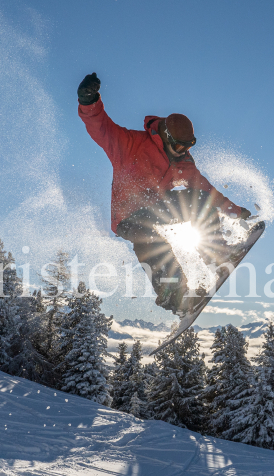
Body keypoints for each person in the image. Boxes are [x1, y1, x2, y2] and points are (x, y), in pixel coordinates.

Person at [76, 72, 254, 315]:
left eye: (189, 146)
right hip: (127, 217)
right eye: (179, 146)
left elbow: (206, 191)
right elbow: (101, 128)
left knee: (199, 201)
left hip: (157, 208)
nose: (183, 152)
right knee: (148, 237)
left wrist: (235, 211)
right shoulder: (130, 144)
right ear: (166, 137)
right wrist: (89, 101)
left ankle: (219, 254)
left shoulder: (183, 163)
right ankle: (177, 297)